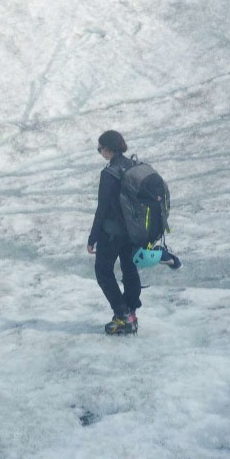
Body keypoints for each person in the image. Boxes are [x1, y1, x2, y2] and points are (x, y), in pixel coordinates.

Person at [87, 130, 142, 335]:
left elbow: (102, 209)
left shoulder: (109, 173)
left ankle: (122, 314)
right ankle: (131, 314)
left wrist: (92, 238)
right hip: (134, 232)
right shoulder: (134, 166)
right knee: (129, 270)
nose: (100, 152)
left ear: (108, 149)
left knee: (103, 271)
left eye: (100, 148)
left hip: (112, 233)